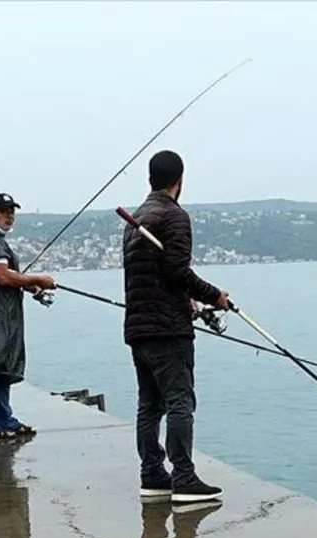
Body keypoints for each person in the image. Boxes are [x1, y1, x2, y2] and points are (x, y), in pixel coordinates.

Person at [123, 150, 231, 504]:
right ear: (179, 180)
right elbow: (176, 271)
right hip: (168, 328)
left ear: (150, 178)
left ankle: (152, 474)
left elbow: (156, 273)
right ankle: (184, 478)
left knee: (149, 404)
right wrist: (214, 295)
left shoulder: (136, 219)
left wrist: (186, 297)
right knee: (180, 401)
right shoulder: (174, 216)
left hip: (138, 326)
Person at [0, 193, 56, 440]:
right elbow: (3, 276)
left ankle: (4, 419)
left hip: (1, 318)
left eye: (12, 211)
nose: (9, 216)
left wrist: (33, 289)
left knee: (2, 369)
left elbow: (9, 277)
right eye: (4, 211)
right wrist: (38, 279)